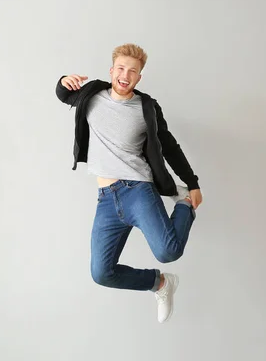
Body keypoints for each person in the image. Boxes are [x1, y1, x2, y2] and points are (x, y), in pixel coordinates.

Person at [55, 43, 203, 323]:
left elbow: (169, 146)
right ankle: (160, 284)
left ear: (139, 77)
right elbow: (64, 94)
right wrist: (63, 81)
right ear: (112, 71)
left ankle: (184, 203)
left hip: (138, 191)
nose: (125, 75)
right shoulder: (92, 95)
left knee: (168, 251)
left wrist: (191, 183)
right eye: (121, 69)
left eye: (132, 71)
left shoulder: (146, 107)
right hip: (106, 199)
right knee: (102, 273)